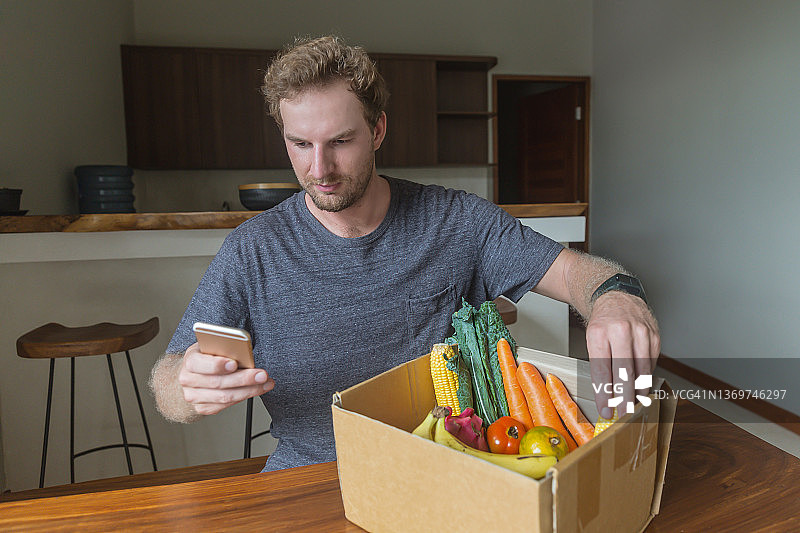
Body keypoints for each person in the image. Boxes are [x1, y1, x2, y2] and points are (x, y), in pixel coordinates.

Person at [149, 35, 659, 471]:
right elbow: (168, 384)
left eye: (340, 141)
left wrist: (615, 297)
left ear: (377, 131)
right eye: (300, 144)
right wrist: (187, 385)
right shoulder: (253, 249)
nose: (319, 168)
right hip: (311, 474)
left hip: (444, 465)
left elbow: (574, 274)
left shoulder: (456, 221)